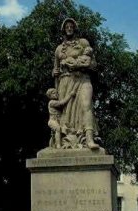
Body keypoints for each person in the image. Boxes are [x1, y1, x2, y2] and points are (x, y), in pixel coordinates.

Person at [52, 18, 99, 149]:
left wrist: (80, 64)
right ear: (63, 29)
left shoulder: (83, 43)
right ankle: (63, 142)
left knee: (86, 105)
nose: (69, 28)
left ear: (75, 28)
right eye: (66, 26)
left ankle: (89, 139)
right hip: (65, 82)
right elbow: (55, 69)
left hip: (82, 78)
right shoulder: (59, 49)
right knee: (66, 113)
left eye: (71, 26)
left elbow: (94, 65)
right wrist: (55, 73)